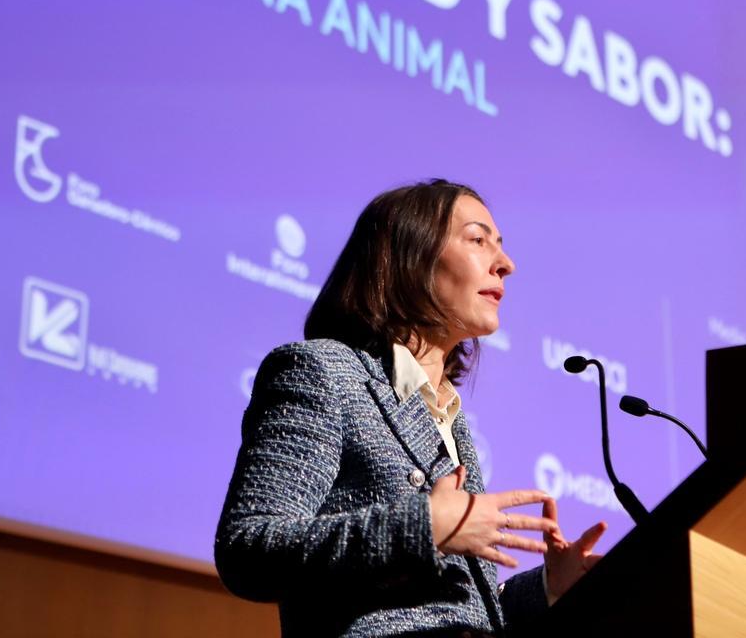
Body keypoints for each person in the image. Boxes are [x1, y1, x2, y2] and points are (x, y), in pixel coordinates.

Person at [215, 180, 606, 637]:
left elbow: (453, 608)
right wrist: (424, 526)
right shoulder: (320, 372)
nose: (506, 264)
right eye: (479, 240)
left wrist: (547, 588)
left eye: (500, 246)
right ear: (409, 257)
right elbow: (249, 549)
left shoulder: (449, 419)